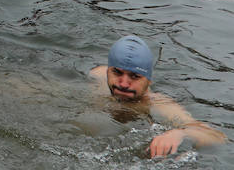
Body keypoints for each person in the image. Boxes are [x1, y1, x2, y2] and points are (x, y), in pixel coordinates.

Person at [89, 35, 225, 158]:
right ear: (108, 71)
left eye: (135, 76)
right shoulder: (97, 76)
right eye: (117, 72)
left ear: (149, 81)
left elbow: (217, 137)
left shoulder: (159, 103)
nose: (123, 84)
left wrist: (180, 133)